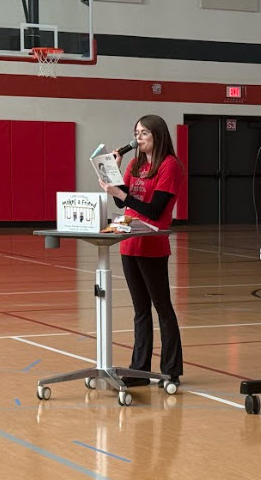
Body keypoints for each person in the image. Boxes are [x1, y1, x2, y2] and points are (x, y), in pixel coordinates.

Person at [99, 114, 185, 388]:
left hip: (152, 243)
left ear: (158, 135)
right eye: (136, 133)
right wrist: (114, 172)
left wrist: (122, 194)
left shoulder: (170, 166)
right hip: (129, 242)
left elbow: (154, 210)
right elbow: (123, 202)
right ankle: (139, 370)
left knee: (162, 307)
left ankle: (171, 370)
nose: (138, 138)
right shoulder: (135, 164)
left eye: (144, 133)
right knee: (140, 310)